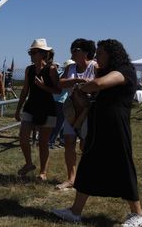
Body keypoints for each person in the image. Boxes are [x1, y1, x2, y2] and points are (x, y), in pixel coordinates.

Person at [52, 39, 142, 227]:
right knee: (88, 167)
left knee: (123, 167)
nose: (96, 57)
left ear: (112, 54)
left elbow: (97, 84)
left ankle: (138, 214)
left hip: (115, 128)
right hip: (99, 128)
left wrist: (81, 88)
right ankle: (75, 211)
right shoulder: (106, 70)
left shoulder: (124, 71)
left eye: (100, 53)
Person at [55, 39, 98, 190]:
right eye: (72, 49)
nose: (72, 52)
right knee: (68, 142)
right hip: (72, 110)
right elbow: (60, 84)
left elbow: (100, 85)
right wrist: (77, 80)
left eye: (76, 49)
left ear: (86, 52)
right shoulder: (71, 67)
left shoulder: (94, 66)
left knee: (86, 145)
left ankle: (89, 177)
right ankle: (71, 178)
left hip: (88, 111)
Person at [14, 39, 59, 181]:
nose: (31, 55)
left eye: (33, 52)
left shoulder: (51, 69)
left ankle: (43, 172)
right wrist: (18, 108)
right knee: (23, 137)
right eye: (30, 52)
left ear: (42, 54)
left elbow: (58, 90)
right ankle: (28, 163)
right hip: (31, 106)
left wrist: (43, 86)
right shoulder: (29, 70)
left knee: (43, 142)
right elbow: (25, 90)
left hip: (47, 108)